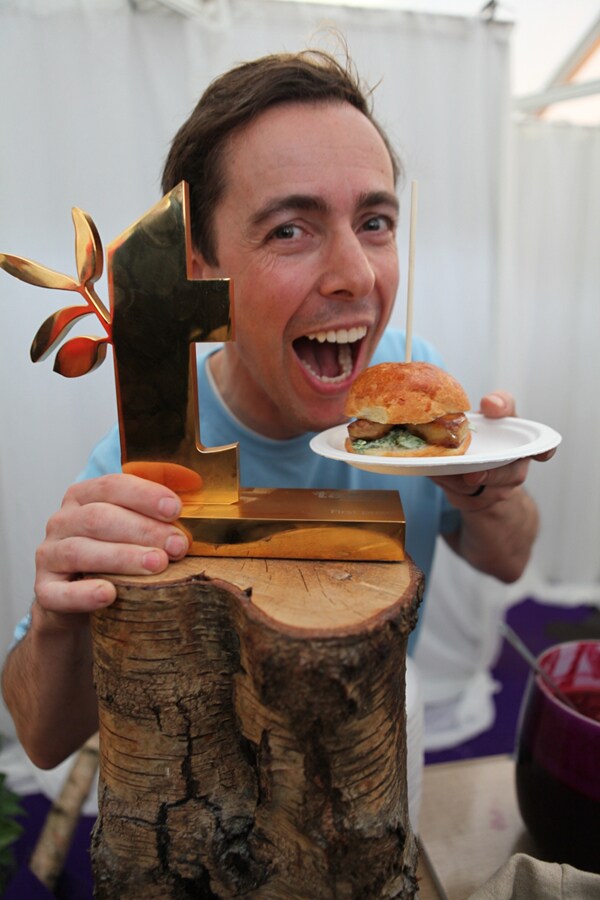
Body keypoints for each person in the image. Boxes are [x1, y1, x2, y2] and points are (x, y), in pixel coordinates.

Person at [2, 49, 552, 771]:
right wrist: (56, 619)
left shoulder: (410, 395)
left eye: (376, 221)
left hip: (374, 760)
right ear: (198, 267)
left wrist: (485, 489)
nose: (355, 274)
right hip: (215, 783)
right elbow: (42, 738)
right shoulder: (151, 470)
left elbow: (509, 560)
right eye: (290, 229)